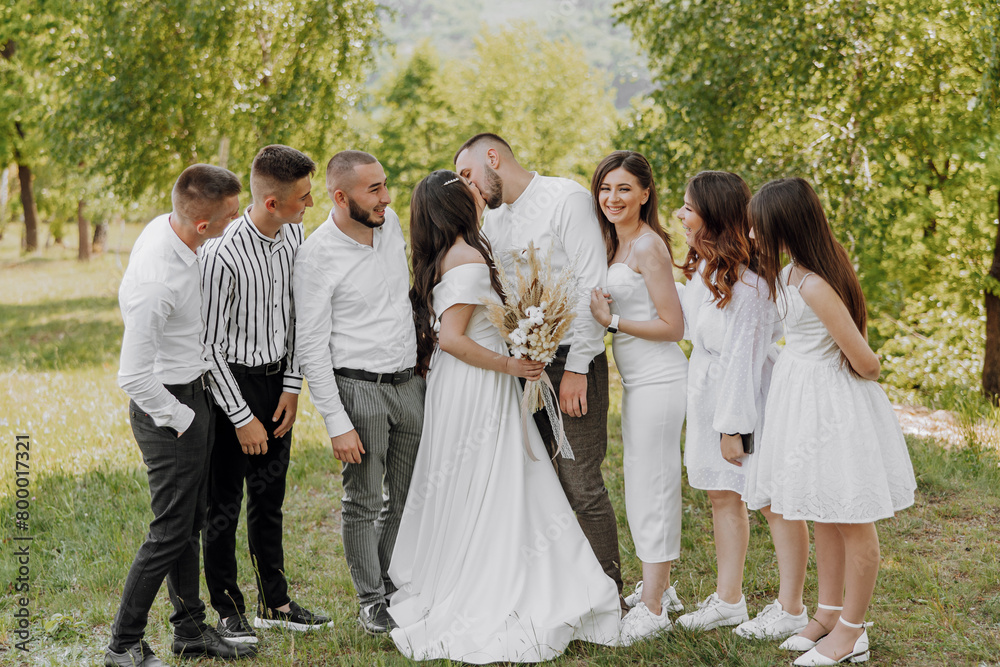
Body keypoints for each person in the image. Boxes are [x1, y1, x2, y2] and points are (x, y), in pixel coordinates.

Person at [388, 169, 621, 662]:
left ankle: (463, 566)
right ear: (456, 206)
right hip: (479, 382)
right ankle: (494, 579)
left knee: (477, 477)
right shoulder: (469, 258)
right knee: (493, 476)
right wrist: (512, 363)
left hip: (462, 383)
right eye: (471, 192)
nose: (481, 198)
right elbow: (453, 337)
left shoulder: (443, 256)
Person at [746, 177, 916, 665]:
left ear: (785, 225)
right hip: (801, 403)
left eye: (760, 228)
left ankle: (853, 632)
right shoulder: (790, 275)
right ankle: (827, 613)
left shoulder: (816, 286)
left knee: (849, 516)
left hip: (831, 407)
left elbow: (867, 362)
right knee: (821, 507)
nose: (755, 236)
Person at [454, 133, 624, 605]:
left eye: (468, 175)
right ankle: (562, 592)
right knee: (538, 482)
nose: (467, 187)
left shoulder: (564, 198)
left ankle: (612, 595)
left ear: (494, 157)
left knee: (581, 481)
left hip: (572, 359)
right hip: (522, 366)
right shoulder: (492, 217)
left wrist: (579, 369)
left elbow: (593, 283)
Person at [107, 165, 255, 666]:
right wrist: (183, 418)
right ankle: (123, 644)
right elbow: (132, 375)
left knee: (191, 519)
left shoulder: (174, 230)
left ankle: (190, 630)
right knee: (170, 529)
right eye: (232, 215)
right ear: (202, 226)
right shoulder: (157, 279)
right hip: (167, 406)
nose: (238, 221)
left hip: (193, 391)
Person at [201, 144, 331, 642]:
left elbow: (301, 316)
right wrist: (240, 416)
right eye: (302, 197)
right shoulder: (222, 255)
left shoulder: (294, 233)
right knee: (224, 505)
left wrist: (292, 386)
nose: (310, 204)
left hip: (279, 382)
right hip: (231, 385)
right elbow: (208, 348)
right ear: (271, 202)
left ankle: (274, 602)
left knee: (269, 496)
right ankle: (228, 607)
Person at [670, 171, 809, 638]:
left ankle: (791, 608)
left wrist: (733, 428)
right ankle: (729, 601)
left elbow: (742, 361)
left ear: (713, 214)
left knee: (773, 501)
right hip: (711, 390)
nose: (680, 214)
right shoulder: (710, 270)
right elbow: (690, 328)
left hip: (747, 398)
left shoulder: (751, 286)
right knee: (721, 495)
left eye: (688, 207)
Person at [293, 150, 425, 635]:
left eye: (385, 185)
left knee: (407, 496)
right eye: (374, 190)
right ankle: (371, 601)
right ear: (340, 196)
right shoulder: (316, 255)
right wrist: (337, 420)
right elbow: (310, 344)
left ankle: (395, 585)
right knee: (364, 500)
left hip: (410, 384)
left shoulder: (388, 228)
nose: (387, 198)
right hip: (359, 389)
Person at [586, 151, 687, 644]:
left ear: (646, 193)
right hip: (637, 383)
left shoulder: (648, 247)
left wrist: (614, 322)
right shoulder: (612, 244)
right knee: (640, 483)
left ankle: (653, 605)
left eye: (624, 189)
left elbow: (674, 326)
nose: (613, 198)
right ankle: (659, 587)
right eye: (606, 189)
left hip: (662, 381)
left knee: (655, 485)